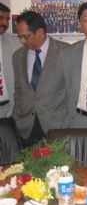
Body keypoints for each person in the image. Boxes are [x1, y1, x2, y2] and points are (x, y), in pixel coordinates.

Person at [13, 11, 69, 148]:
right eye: (19, 36)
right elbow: (19, 89)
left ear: (40, 33)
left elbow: (71, 89)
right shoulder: (18, 56)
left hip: (56, 124)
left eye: (26, 36)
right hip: (26, 126)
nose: (22, 41)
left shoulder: (66, 51)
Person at [0, 3, 20, 118]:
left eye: (7, 19)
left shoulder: (16, 43)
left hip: (10, 109)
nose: (5, 23)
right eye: (1, 18)